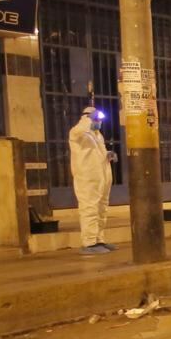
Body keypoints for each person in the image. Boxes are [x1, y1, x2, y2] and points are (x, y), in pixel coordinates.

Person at [68, 105, 115, 256]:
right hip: (87, 178)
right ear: (87, 118)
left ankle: (99, 239)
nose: (99, 122)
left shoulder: (97, 135)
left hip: (101, 177)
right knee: (89, 208)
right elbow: (80, 130)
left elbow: (95, 153)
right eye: (97, 119)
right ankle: (89, 242)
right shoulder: (77, 132)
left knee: (101, 208)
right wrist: (89, 119)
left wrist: (108, 154)